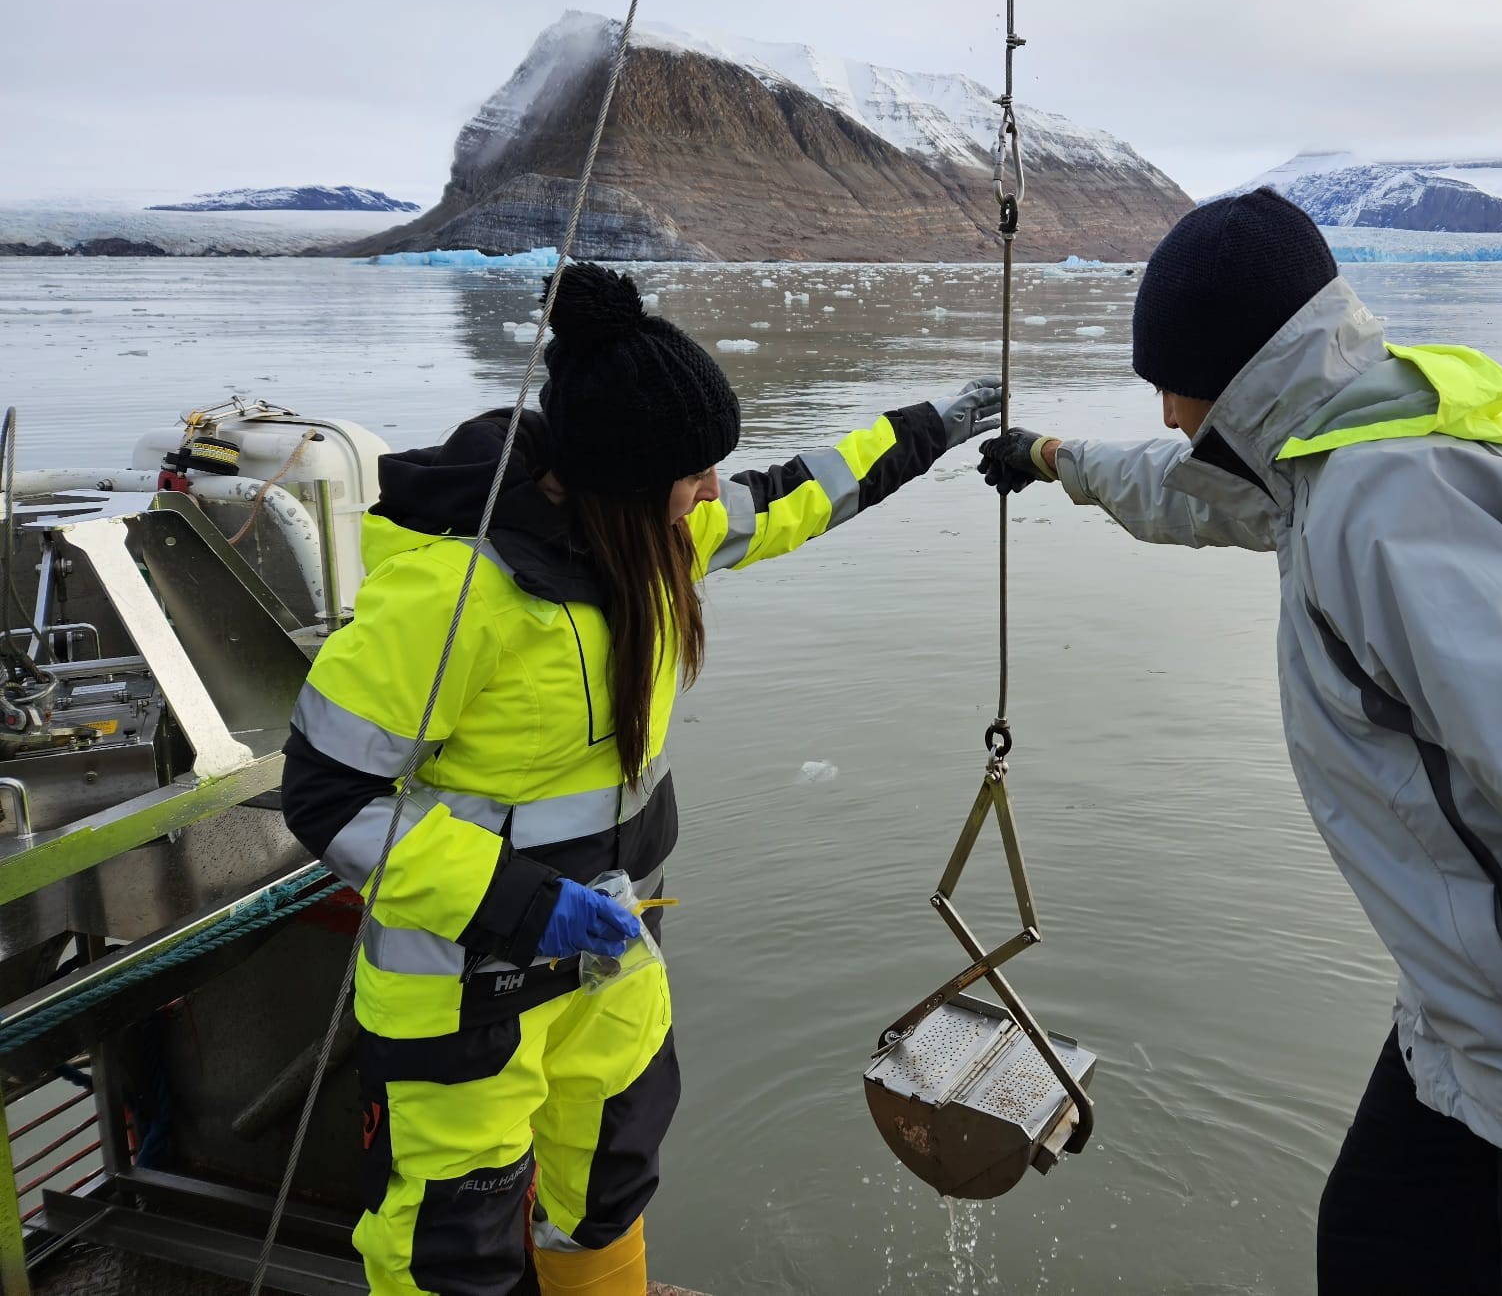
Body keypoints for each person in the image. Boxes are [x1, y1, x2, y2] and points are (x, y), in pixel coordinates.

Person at [979, 189, 1502, 1296]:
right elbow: (1189, 491)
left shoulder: (1393, 517)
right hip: (1491, 1023)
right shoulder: (1335, 449)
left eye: (1166, 386)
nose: (1170, 418)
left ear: (1229, 375)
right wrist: (1051, 458)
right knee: (1376, 1244)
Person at [281, 263, 1002, 1296]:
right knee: (453, 1238)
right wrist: (522, 906)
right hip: (463, 980)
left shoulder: (653, 541)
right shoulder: (455, 593)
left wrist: (933, 423)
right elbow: (328, 794)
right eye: (690, 471)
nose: (711, 490)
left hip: (613, 954)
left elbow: (799, 495)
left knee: (606, 1183)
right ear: (621, 479)